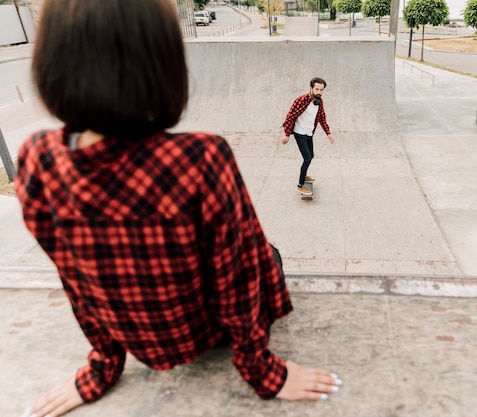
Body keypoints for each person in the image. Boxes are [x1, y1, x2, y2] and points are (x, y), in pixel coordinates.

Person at [14, 1, 341, 417]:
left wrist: (102, 366)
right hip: (207, 334)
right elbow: (236, 278)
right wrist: (265, 373)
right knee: (264, 251)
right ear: (163, 66)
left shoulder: (37, 160)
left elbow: (76, 280)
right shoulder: (200, 157)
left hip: (140, 342)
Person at [282, 78, 335, 196]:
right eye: (317, 89)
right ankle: (300, 185)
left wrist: (328, 133)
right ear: (311, 88)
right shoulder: (300, 100)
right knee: (307, 158)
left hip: (309, 133)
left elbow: (322, 118)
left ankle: (304, 175)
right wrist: (287, 135)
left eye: (321, 90)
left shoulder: (319, 102)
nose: (319, 92)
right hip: (299, 133)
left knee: (311, 156)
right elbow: (290, 117)